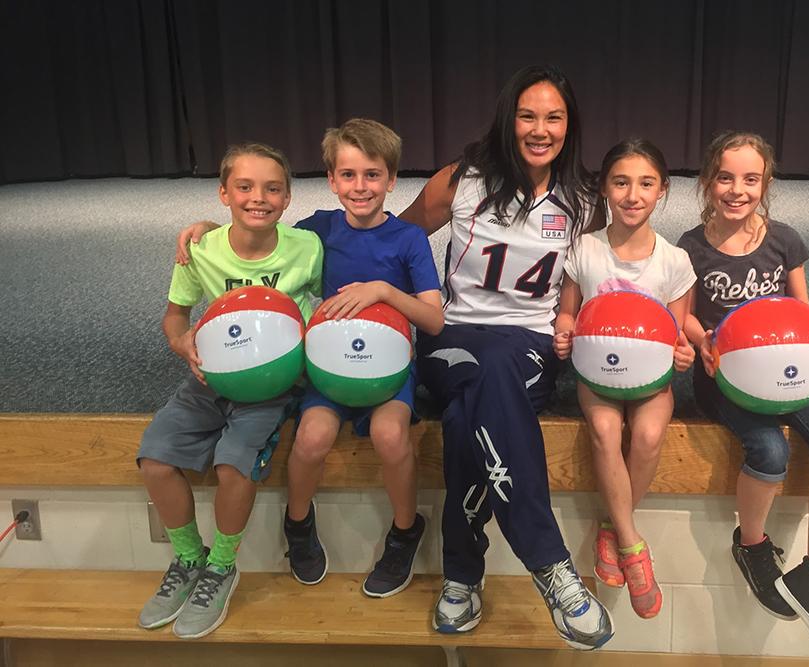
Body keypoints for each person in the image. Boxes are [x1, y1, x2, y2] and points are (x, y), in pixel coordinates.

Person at [177, 119, 444, 598]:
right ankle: (297, 523)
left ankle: (405, 531)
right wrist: (210, 229)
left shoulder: (408, 240)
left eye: (372, 174)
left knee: (389, 433)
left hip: (388, 370)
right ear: (330, 180)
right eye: (348, 175)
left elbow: (435, 320)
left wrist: (383, 291)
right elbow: (260, 239)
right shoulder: (318, 229)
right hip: (325, 367)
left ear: (392, 178)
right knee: (311, 438)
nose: (360, 186)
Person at [399, 64, 614, 650]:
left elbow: (607, 273)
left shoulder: (584, 201)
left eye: (553, 117)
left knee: (470, 415)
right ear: (507, 118)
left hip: (533, 347)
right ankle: (550, 565)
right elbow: (396, 238)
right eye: (527, 115)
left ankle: (462, 576)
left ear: (570, 127)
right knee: (485, 370)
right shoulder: (461, 179)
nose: (539, 129)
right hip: (453, 338)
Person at [677, 131, 809, 660]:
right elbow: (683, 313)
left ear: (766, 183)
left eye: (750, 179)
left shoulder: (785, 240)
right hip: (726, 376)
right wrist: (702, 341)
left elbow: (805, 313)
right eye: (726, 178)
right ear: (709, 182)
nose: (738, 189)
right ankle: (752, 545)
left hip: (788, 371)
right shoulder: (692, 246)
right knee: (771, 452)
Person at [138, 142, 323, 638]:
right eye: (244, 187)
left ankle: (221, 567)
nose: (257, 197)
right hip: (209, 378)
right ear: (224, 193)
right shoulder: (200, 248)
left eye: (271, 188)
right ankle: (188, 559)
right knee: (155, 459)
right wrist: (184, 346)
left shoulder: (307, 247)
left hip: (273, 387)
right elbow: (176, 315)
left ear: (287, 199)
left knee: (232, 465)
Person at [552, 138, 695, 619]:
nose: (632, 195)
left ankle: (612, 530)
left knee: (650, 433)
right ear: (604, 188)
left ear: (663, 191)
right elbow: (567, 312)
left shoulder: (674, 261)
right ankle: (633, 546)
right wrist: (564, 331)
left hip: (652, 381)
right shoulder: (585, 250)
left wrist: (681, 353)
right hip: (598, 378)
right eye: (621, 182)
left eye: (646, 184)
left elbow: (677, 330)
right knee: (606, 429)